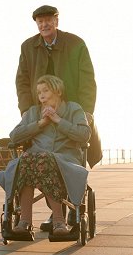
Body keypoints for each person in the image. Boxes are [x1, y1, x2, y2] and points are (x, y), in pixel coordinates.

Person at [16, 5, 98, 230]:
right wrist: (26, 111)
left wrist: (86, 111)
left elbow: (87, 80)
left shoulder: (75, 44)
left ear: (57, 21)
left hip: (69, 111)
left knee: (61, 156)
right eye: (39, 21)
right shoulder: (28, 47)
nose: (44, 25)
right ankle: (54, 215)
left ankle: (63, 213)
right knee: (36, 160)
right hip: (40, 112)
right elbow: (22, 81)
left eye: (48, 20)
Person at [9, 75, 91, 235]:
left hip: (65, 159)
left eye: (45, 90)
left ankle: (57, 221)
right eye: (39, 91)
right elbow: (14, 136)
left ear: (58, 91)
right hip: (34, 160)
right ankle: (26, 221)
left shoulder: (73, 109)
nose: (41, 95)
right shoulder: (33, 112)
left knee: (43, 159)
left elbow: (84, 135)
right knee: (28, 158)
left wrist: (58, 120)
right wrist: (40, 124)